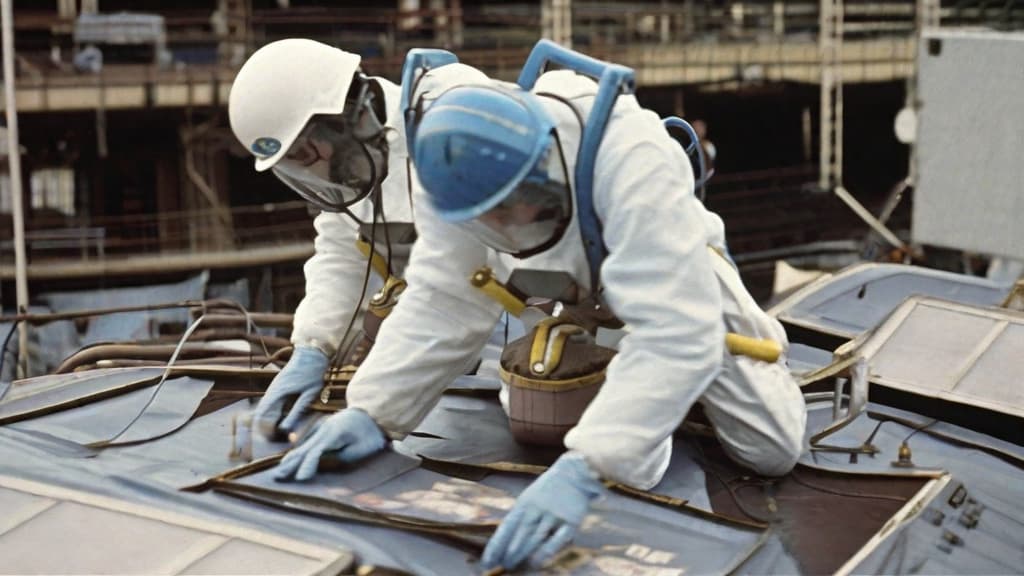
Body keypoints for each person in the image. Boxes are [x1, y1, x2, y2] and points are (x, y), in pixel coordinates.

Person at [272, 49, 807, 570]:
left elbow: (675, 330)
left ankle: (675, 399)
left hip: (669, 275)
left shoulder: (630, 159)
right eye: (488, 222)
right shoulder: (448, 174)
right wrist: (373, 410)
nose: (501, 227)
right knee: (548, 419)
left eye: (510, 211)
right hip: (557, 284)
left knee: (769, 449)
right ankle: (641, 402)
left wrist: (589, 466)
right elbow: (445, 295)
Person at [228, 39, 487, 439]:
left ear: (348, 115)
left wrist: (375, 411)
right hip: (435, 338)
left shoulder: (453, 123)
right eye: (295, 164)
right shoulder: (352, 165)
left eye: (308, 155)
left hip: (502, 335)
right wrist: (314, 346)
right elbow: (342, 255)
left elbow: (456, 292)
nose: (316, 176)